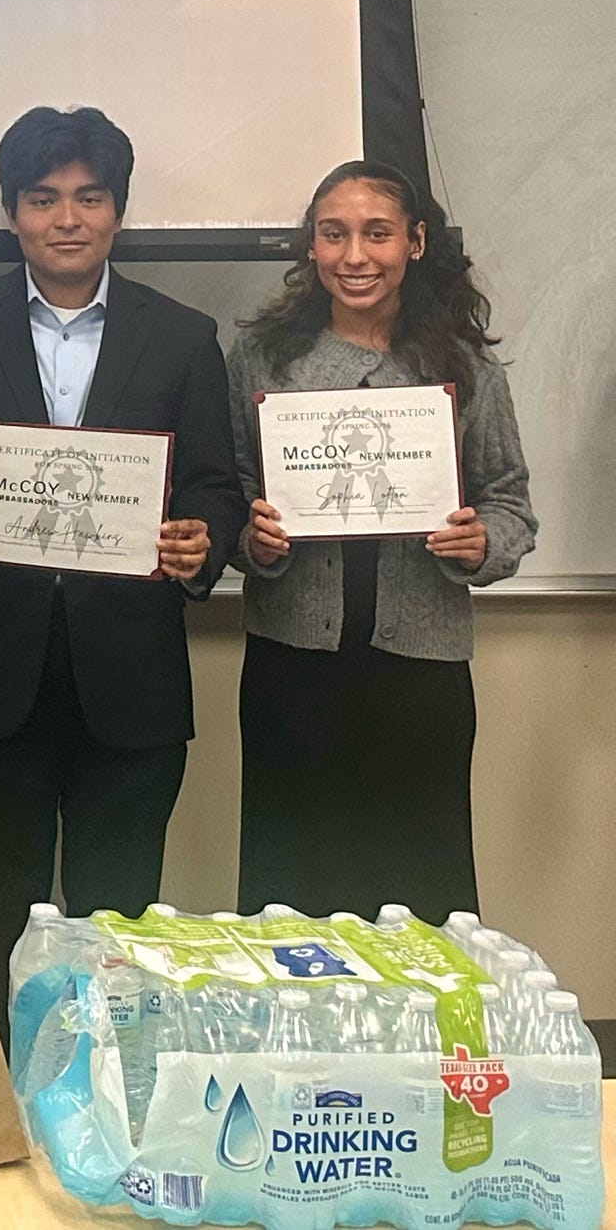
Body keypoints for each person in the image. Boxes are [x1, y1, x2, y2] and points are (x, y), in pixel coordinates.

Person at [0, 105, 246, 1037]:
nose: (67, 217)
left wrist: (197, 541)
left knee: (118, 913)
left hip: (129, 675)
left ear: (117, 212)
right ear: (14, 212)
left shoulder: (182, 335)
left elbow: (216, 485)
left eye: (89, 197)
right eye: (44, 197)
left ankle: (110, 1101)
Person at [227, 160, 534, 919]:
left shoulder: (465, 367)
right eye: (334, 235)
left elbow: (511, 502)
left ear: (417, 242)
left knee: (419, 894)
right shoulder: (265, 362)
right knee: (289, 894)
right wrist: (251, 537)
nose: (354, 256)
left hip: (420, 677)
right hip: (291, 668)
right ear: (312, 246)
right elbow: (226, 488)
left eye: (377, 234)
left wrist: (480, 540)